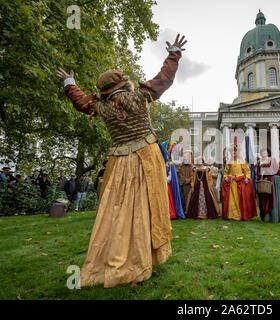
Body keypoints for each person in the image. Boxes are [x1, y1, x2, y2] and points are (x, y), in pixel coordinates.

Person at [56, 34, 187, 288]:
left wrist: (69, 83)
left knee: (116, 211)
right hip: (144, 161)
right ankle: (136, 263)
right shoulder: (137, 98)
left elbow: (82, 102)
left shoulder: (101, 106)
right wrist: (174, 53)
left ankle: (117, 258)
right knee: (141, 209)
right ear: (123, 84)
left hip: (117, 163)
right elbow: (164, 80)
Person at [222, 145, 257, 221]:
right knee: (231, 199)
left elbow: (247, 171)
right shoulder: (229, 162)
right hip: (231, 183)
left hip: (240, 182)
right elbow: (226, 172)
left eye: (235, 151)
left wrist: (247, 177)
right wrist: (225, 177)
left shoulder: (242, 161)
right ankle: (231, 215)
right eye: (232, 151)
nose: (234, 152)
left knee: (240, 199)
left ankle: (239, 215)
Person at [255, 148, 280, 223]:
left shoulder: (273, 160)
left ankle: (276, 216)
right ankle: (266, 217)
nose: (264, 153)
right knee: (264, 199)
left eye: (265, 152)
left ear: (268, 153)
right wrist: (261, 174)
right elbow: (257, 173)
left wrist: (268, 173)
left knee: (275, 198)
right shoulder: (259, 162)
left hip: (273, 180)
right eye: (262, 152)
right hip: (264, 182)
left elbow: (276, 170)